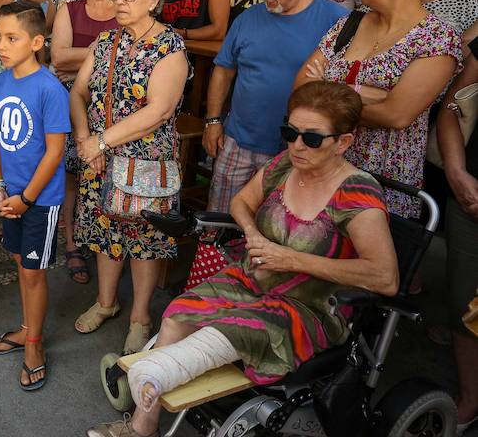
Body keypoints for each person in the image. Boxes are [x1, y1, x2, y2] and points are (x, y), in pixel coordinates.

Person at [87, 81, 398, 437]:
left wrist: (292, 259)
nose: (296, 145)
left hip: (308, 304)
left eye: (312, 139)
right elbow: (240, 203)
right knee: (177, 313)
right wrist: (251, 232)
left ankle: (157, 375)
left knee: (229, 330)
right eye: (290, 132)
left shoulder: (356, 194)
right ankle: (144, 428)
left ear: (344, 141)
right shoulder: (286, 165)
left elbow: (385, 277)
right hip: (254, 280)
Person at [297, 0, 461, 218]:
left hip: (378, 190)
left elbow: (396, 115)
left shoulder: (437, 39)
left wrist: (327, 89)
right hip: (317, 171)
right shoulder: (349, 23)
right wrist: (369, 95)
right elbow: (298, 93)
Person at [71, 0, 190, 355]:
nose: (119, 0)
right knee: (106, 232)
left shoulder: (169, 47)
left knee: (144, 239)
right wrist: (87, 139)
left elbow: (158, 111)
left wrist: (100, 142)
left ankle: (140, 316)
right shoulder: (106, 42)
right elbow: (79, 92)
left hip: (145, 161)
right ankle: (107, 302)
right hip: (100, 156)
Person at [204, 0, 348, 213]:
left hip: (300, 150)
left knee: (278, 228)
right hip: (238, 141)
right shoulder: (247, 18)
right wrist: (213, 120)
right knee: (219, 222)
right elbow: (224, 70)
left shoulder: (337, 21)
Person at [0, 0, 70, 392]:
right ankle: (26, 328)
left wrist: (27, 199)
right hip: (10, 197)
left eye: (11, 37)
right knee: (21, 264)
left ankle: (34, 345)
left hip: (38, 201)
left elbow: (55, 152)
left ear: (36, 41)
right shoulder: (0, 82)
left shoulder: (50, 88)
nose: (1, 45)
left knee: (33, 273)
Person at [50, 0, 120, 285]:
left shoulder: (127, 7)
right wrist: (105, 49)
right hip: (73, 103)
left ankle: (100, 237)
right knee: (72, 176)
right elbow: (58, 58)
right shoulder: (70, 9)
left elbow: (133, 54)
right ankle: (72, 242)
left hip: (115, 108)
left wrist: (85, 53)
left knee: (106, 174)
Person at [436, 44, 478, 432]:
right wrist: (455, 170)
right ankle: (470, 397)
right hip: (471, 198)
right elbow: (451, 107)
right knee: (465, 300)